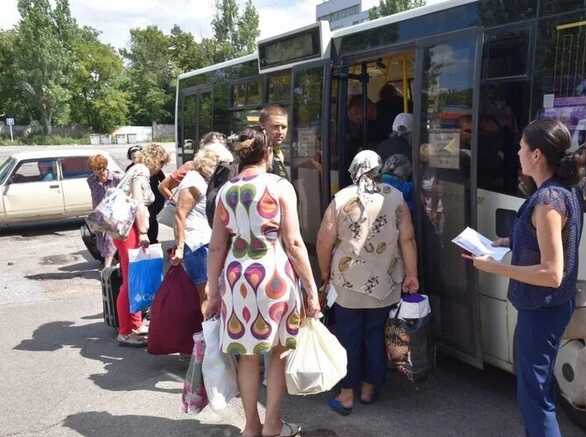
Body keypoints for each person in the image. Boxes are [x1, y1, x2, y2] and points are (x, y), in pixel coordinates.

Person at [463, 119, 583, 437]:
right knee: (537, 389)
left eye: (520, 147)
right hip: (548, 307)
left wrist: (495, 267)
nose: (516, 152)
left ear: (536, 155)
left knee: (535, 396)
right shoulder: (562, 191)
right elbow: (549, 241)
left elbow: (552, 273)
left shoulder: (547, 203)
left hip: (542, 309)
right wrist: (508, 243)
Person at [204, 126, 320, 437]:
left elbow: (216, 247)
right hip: (274, 275)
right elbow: (294, 243)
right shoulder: (280, 186)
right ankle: (273, 424)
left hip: (236, 277)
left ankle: (251, 425)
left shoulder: (226, 192)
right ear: (267, 153)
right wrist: (311, 288)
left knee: (247, 355)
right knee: (278, 353)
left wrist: (212, 291)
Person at [316, 150, 419, 416]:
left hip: (347, 283)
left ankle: (347, 394)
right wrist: (412, 274)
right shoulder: (396, 198)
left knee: (348, 337)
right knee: (375, 336)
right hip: (384, 283)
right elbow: (407, 239)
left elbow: (324, 241)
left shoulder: (341, 198)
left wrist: (325, 274)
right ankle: (369, 388)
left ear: (353, 169)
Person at [114, 143, 170, 347]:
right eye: (162, 163)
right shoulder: (141, 172)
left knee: (132, 280)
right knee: (131, 282)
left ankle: (134, 326)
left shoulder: (136, 169)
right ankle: (125, 331)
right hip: (131, 230)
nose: (160, 168)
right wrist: (144, 231)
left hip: (127, 230)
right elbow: (138, 203)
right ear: (156, 159)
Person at [170, 148, 218, 316]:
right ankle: (206, 335)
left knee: (208, 291)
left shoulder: (199, 179)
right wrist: (180, 248)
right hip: (196, 243)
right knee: (205, 292)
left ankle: (206, 332)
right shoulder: (194, 182)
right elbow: (180, 214)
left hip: (202, 241)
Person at [158, 132, 230, 201]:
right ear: (204, 147)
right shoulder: (192, 166)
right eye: (216, 146)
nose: (221, 149)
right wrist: (177, 204)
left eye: (223, 145)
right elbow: (163, 187)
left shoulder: (226, 168)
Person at [86, 154, 122, 268]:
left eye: (100, 168)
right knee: (101, 242)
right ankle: (113, 261)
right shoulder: (91, 180)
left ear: (105, 166)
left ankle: (107, 266)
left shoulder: (116, 178)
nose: (98, 172)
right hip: (98, 215)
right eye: (95, 169)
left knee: (109, 240)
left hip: (113, 215)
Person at [259, 104, 290, 179]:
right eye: (275, 127)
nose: (280, 132)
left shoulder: (277, 152)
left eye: (284, 127)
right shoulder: (256, 154)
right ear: (262, 127)